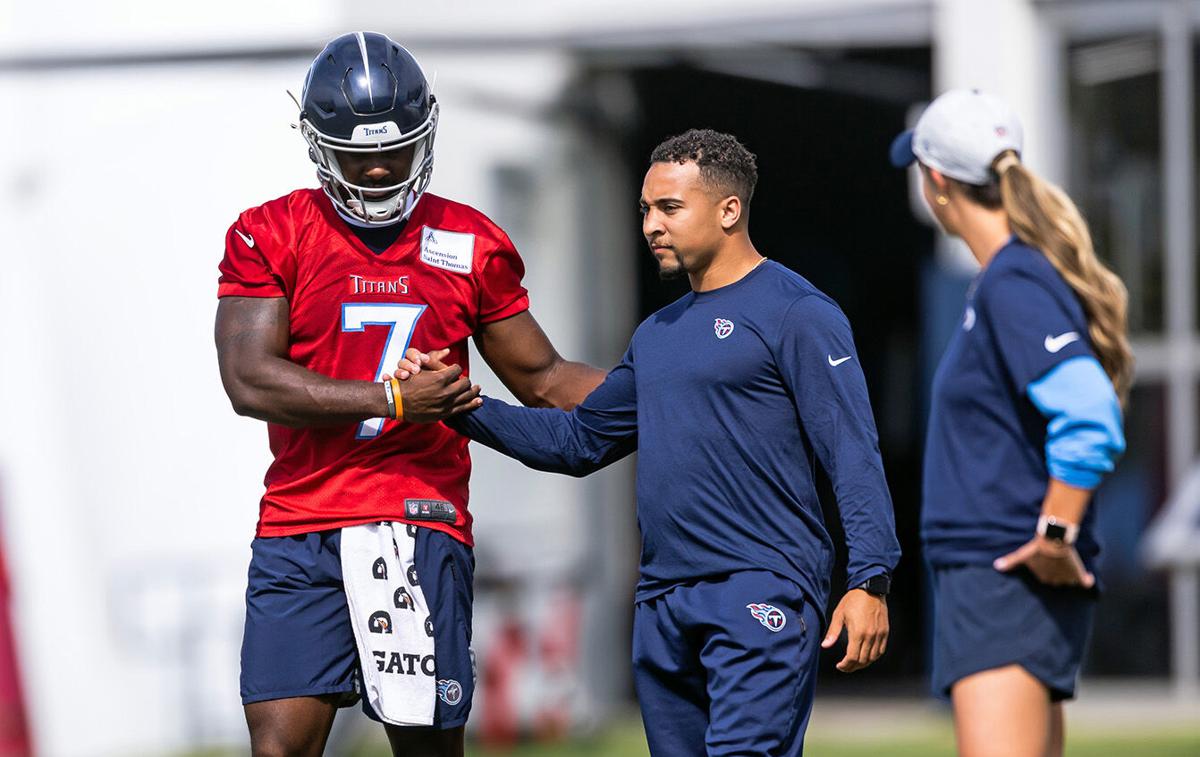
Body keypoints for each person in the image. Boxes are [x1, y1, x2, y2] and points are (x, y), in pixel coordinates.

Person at [403, 129, 901, 755]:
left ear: (728, 210)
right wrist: (456, 405)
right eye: (644, 209)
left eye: (669, 208)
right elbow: (579, 442)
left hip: (759, 588)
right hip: (664, 603)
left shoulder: (797, 311)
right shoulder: (658, 334)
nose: (650, 226)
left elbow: (852, 450)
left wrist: (870, 579)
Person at [214, 32, 603, 757]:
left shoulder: (470, 240)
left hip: (418, 515)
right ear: (317, 143)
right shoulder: (272, 232)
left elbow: (544, 377)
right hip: (302, 521)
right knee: (277, 750)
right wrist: (389, 399)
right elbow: (248, 377)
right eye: (360, 153)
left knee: (425, 749)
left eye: (398, 146)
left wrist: (673, 388)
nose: (383, 166)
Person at [889, 89, 1130, 757]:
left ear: (936, 183)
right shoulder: (1006, 278)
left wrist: (1057, 532)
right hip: (999, 579)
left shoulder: (1013, 281)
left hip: (1004, 579)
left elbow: (1090, 416)